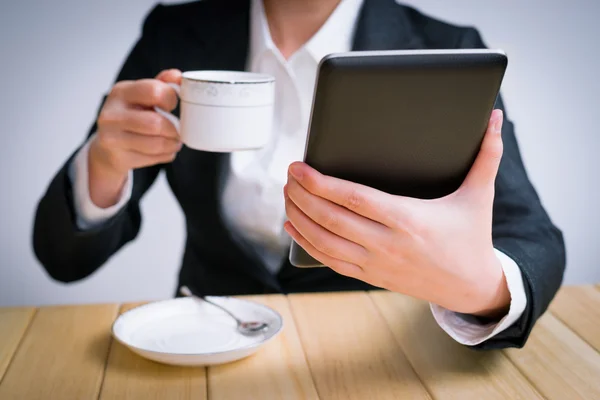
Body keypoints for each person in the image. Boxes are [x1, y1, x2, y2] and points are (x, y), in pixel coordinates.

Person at [33, 0, 565, 350]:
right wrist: (104, 163)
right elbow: (63, 258)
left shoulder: (447, 50)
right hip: (206, 335)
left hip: (375, 352)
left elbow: (531, 237)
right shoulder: (176, 33)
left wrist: (477, 287)